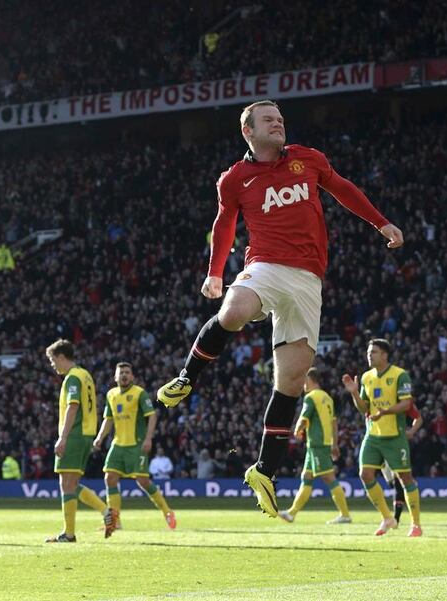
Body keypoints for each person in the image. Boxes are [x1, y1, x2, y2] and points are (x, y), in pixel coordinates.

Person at [156, 100, 403, 517]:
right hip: (265, 265)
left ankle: (264, 471)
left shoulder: (308, 159)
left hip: (308, 280)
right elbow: (224, 225)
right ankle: (186, 378)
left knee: (290, 381)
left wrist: (381, 222)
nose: (279, 124)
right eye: (269, 120)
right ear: (248, 131)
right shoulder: (235, 178)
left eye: (281, 119)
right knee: (234, 311)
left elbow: (343, 188)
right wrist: (215, 272)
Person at [342, 338, 422, 537]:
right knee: (365, 475)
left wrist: (385, 412)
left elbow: (406, 404)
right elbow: (364, 408)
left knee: (405, 478)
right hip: (373, 435)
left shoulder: (399, 375)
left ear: (385, 355)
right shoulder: (367, 377)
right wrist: (354, 394)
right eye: (369, 352)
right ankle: (388, 517)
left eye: (374, 352)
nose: (369, 356)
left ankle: (416, 524)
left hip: (394, 436)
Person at [45, 339, 117, 543]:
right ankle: (74, 529)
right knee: (70, 483)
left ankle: (75, 529)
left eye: (53, 360)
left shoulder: (73, 378)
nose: (53, 365)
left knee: (66, 483)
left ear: (61, 357)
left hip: (75, 435)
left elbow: (73, 406)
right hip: (86, 433)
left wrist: (63, 437)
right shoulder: (85, 375)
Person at [92, 362, 176, 531]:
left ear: (132, 376)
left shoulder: (139, 394)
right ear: (115, 377)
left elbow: (152, 416)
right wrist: (100, 437)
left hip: (136, 444)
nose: (124, 375)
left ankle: (167, 512)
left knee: (143, 481)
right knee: (109, 478)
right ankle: (115, 521)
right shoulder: (111, 394)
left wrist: (148, 439)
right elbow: (108, 419)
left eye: (127, 372)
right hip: (118, 444)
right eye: (121, 372)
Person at [278, 367, 351, 525]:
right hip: (320, 444)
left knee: (329, 478)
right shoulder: (327, 398)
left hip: (317, 444)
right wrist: (335, 444)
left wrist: (297, 429)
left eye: (304, 381)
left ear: (310, 380)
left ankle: (345, 515)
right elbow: (334, 423)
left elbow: (304, 418)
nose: (303, 385)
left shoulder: (311, 397)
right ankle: (292, 513)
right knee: (306, 478)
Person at [390, 395, 423, 524]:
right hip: (377, 443)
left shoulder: (404, 401)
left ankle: (397, 519)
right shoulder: (379, 398)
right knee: (394, 482)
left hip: (397, 444)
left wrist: (411, 432)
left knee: (399, 483)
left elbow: (418, 419)